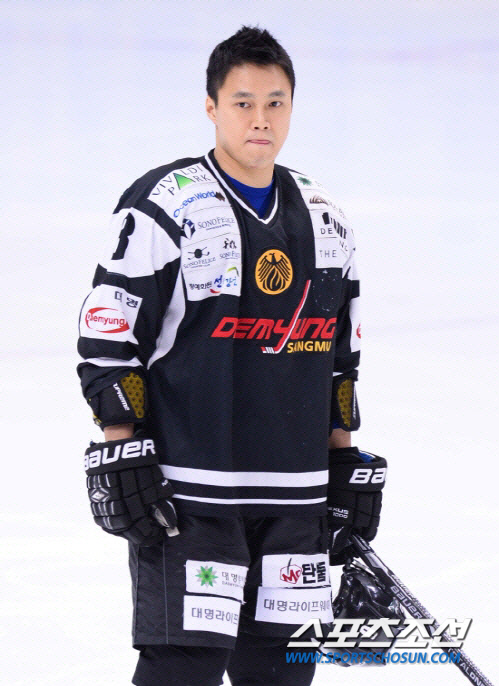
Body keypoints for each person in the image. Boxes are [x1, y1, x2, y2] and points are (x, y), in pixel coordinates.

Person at [78, 26, 386, 686]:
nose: (260, 119)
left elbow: (340, 362)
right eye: (243, 103)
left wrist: (341, 458)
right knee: (183, 668)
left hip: (295, 498)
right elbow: (109, 338)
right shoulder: (167, 205)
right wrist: (121, 447)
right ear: (212, 107)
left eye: (275, 103)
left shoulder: (326, 220)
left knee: (281, 674)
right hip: (190, 495)